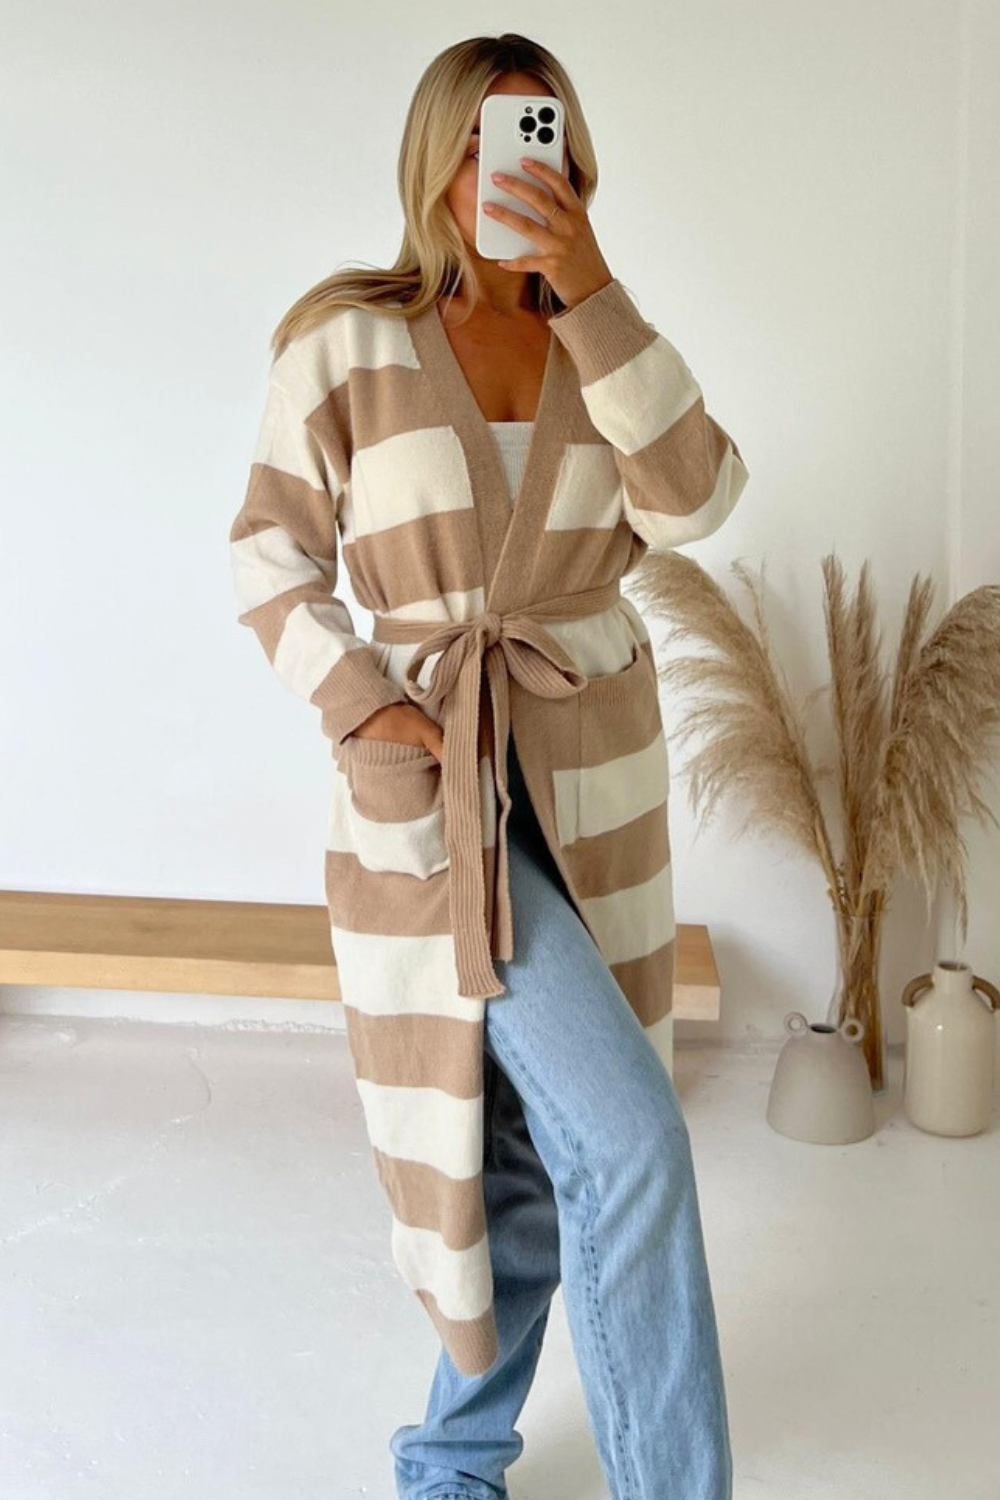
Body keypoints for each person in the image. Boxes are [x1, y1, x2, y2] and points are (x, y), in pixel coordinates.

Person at [230, 31, 747, 1500]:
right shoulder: (346, 342)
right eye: (479, 138)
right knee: (628, 1142)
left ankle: (448, 1465)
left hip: (591, 789)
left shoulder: (604, 337)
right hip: (440, 801)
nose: (505, 166)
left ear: (571, 157)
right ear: (434, 159)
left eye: (535, 134)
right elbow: (267, 556)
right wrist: (364, 710)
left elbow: (698, 499)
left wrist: (591, 286)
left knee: (525, 1156)